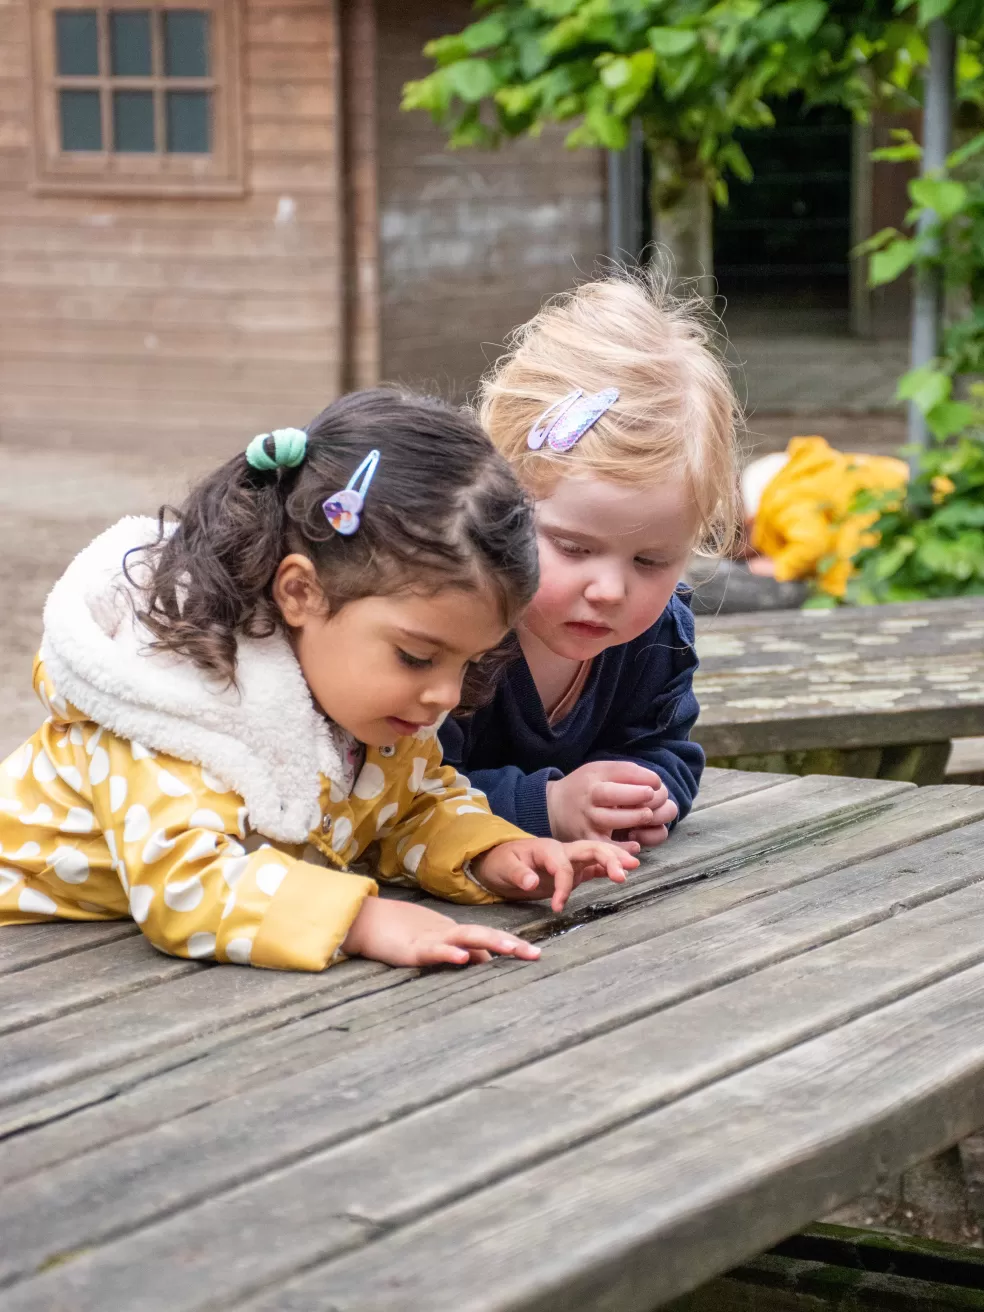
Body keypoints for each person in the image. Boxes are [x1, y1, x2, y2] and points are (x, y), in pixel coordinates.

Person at [0, 389, 635, 972]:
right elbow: (188, 890)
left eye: (467, 663)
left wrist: (494, 854)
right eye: (418, 656)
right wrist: (361, 919)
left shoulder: (366, 706)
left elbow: (409, 808)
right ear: (301, 592)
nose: (444, 694)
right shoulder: (183, 706)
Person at [441, 269, 740, 852]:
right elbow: (397, 790)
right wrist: (547, 806)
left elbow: (665, 749)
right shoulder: (447, 626)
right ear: (500, 498)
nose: (609, 589)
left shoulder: (658, 635)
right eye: (574, 548)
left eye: (652, 560)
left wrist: (647, 797)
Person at [741, 435, 910, 597]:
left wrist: (781, 567)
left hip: (877, 555)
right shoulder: (812, 471)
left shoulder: (783, 497)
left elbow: (812, 543)